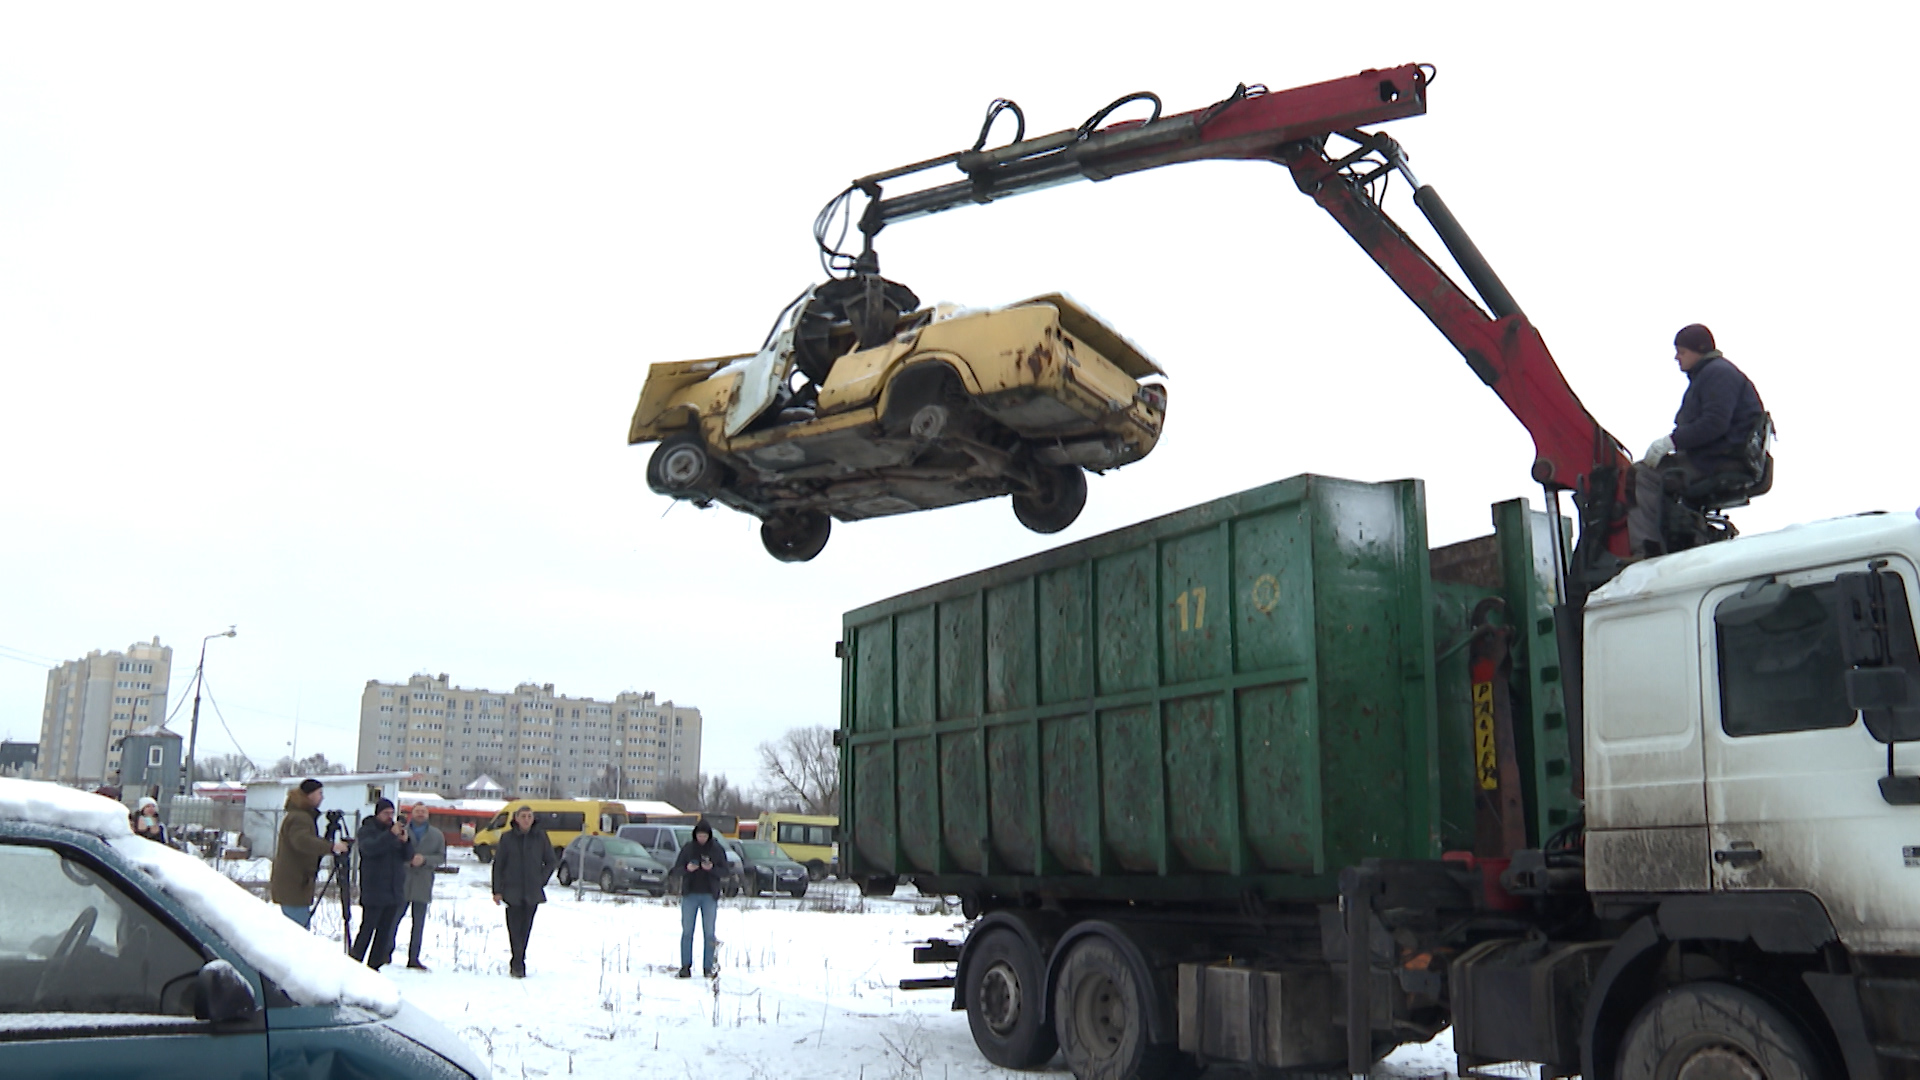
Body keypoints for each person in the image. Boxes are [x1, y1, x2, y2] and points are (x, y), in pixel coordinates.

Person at [1627, 323, 1766, 558]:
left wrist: (1671, 442)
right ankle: (1683, 534)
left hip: (1721, 459)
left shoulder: (1717, 374)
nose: (1676, 357)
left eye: (1682, 351)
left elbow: (1714, 423)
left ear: (1698, 349)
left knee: (1642, 475)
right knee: (1660, 473)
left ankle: (1646, 549)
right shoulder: (1711, 374)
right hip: (1717, 456)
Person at [269, 778, 350, 929]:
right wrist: (331, 846)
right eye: (319, 793)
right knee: (298, 933)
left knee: (296, 929)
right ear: (309, 795)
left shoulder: (299, 815)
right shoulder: (300, 817)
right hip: (294, 886)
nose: (322, 797)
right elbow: (302, 841)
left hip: (295, 885)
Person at [490, 806, 558, 978]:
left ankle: (519, 959)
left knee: (525, 929)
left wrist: (540, 880)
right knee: (514, 928)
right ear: (516, 819)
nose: (526, 819)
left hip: (532, 891)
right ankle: (517, 963)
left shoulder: (540, 837)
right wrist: (497, 890)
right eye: (523, 816)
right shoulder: (507, 838)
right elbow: (498, 865)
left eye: (529, 816)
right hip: (512, 890)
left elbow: (551, 861)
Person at [349, 798, 414, 970]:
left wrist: (405, 842)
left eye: (392, 813)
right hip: (374, 890)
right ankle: (355, 962)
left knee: (384, 934)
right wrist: (390, 835)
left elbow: (408, 857)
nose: (389, 817)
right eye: (386, 813)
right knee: (368, 929)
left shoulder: (394, 831)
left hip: (393, 891)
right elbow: (369, 849)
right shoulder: (368, 830)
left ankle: (374, 966)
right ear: (377, 813)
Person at [673, 819, 728, 979]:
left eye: (704, 836)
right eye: (699, 835)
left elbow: (725, 871)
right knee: (687, 931)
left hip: (709, 895)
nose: (701, 839)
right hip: (690, 894)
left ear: (709, 836)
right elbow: (676, 870)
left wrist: (711, 869)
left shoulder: (717, 849)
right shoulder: (688, 849)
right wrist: (686, 869)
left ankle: (708, 967)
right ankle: (685, 966)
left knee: (709, 932)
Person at [401, 803, 446, 971]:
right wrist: (408, 860)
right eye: (417, 811)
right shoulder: (401, 831)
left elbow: (441, 857)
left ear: (428, 815)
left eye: (424, 812)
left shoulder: (436, 835)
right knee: (393, 919)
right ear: (412, 813)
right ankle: (385, 953)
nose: (421, 814)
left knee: (418, 923)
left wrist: (425, 859)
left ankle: (413, 958)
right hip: (402, 880)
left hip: (423, 882)